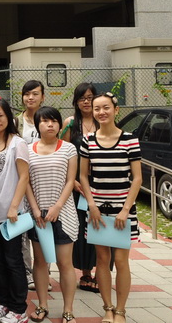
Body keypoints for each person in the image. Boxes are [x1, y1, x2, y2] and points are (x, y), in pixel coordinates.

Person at [79, 93, 142, 323]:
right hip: (97, 210)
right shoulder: (88, 140)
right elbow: (83, 176)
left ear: (116, 110)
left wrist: (125, 210)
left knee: (122, 261)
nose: (101, 112)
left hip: (123, 211)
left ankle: (121, 310)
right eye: (97, 108)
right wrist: (92, 205)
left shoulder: (129, 140)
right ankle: (107, 308)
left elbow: (137, 178)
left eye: (106, 107)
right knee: (101, 260)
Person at [25, 106, 78, 323]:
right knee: (40, 262)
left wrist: (57, 206)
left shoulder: (68, 149)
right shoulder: (28, 150)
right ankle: (42, 305)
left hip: (64, 215)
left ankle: (68, 310)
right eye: (45, 121)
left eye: (54, 121)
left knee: (65, 263)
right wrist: (35, 209)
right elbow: (26, 182)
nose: (50, 125)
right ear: (37, 125)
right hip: (38, 216)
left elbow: (70, 181)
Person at [0, 99, 29, 323]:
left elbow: (24, 176)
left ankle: (19, 308)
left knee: (13, 260)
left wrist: (14, 207)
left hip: (12, 214)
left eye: (0, 115)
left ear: (9, 117)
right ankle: (4, 302)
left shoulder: (17, 143)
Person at [59, 82, 99, 293]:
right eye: (82, 98)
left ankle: (101, 272)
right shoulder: (70, 123)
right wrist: (72, 181)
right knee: (83, 226)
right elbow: (64, 153)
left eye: (90, 97)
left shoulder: (103, 120)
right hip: (77, 186)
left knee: (101, 226)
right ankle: (85, 272)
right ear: (76, 101)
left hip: (100, 183)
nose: (86, 102)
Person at [17, 80, 45, 291]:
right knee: (23, 229)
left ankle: (43, 272)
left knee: (44, 227)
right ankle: (27, 273)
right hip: (21, 179)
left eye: (35, 94)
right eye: (27, 94)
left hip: (43, 180)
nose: (30, 98)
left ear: (42, 97)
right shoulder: (16, 121)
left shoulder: (48, 119)